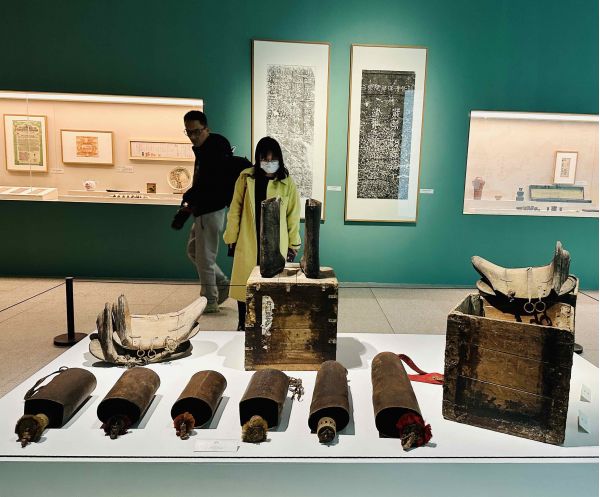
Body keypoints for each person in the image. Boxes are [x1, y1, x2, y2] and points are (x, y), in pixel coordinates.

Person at [223, 136, 301, 330]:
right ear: (258, 158)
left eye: (273, 159)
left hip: (275, 242)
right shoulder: (245, 178)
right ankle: (243, 324)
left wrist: (294, 243)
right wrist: (231, 236)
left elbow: (293, 215)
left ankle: (270, 325)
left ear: (280, 159)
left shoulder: (287, 182)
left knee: (272, 284)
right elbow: (235, 209)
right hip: (249, 239)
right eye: (265, 159)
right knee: (246, 284)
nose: (269, 163)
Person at [180, 110, 233, 313]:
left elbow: (208, 183)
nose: (193, 136)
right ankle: (222, 283)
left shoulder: (214, 149)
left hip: (211, 210)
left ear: (206, 129)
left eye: (196, 131)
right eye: (189, 132)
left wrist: (189, 196)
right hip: (203, 210)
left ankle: (210, 301)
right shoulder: (205, 149)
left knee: (204, 258)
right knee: (193, 251)